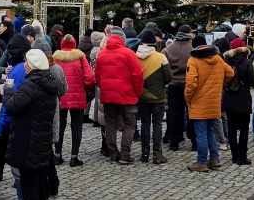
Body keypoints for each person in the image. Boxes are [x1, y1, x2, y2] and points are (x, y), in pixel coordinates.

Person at [5, 48, 63, 200]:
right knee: (39, 185)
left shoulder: (30, 86)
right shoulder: (48, 82)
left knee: (30, 186)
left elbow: (12, 106)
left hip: (28, 140)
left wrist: (8, 90)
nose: (25, 66)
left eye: (27, 63)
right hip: (42, 139)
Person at [94, 31, 144, 165]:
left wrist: (104, 89)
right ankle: (125, 154)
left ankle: (113, 153)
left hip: (108, 95)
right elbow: (138, 74)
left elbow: (97, 76)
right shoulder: (128, 54)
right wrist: (137, 92)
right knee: (130, 124)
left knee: (110, 124)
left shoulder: (102, 54)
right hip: (127, 95)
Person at [185, 41, 232, 172]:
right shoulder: (217, 59)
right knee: (210, 131)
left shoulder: (193, 60)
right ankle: (215, 159)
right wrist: (219, 84)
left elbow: (191, 83)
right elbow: (230, 73)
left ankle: (201, 162)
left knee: (201, 134)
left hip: (199, 102)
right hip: (214, 102)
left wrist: (188, 97)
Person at [53, 34, 94, 166]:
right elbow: (89, 77)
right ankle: (73, 157)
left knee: (60, 125)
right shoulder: (80, 57)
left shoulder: (55, 58)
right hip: (77, 97)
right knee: (76, 126)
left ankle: (57, 155)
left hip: (60, 96)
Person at [136, 31, 171, 165]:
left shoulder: (135, 56)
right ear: (154, 43)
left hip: (142, 96)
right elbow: (168, 76)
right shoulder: (160, 57)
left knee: (145, 123)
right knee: (157, 124)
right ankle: (157, 153)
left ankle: (145, 153)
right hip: (158, 96)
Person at [220, 38, 254, 166]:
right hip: (243, 99)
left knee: (231, 128)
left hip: (229, 98)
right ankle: (242, 156)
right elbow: (253, 81)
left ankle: (234, 155)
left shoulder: (226, 61)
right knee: (244, 129)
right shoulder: (247, 62)